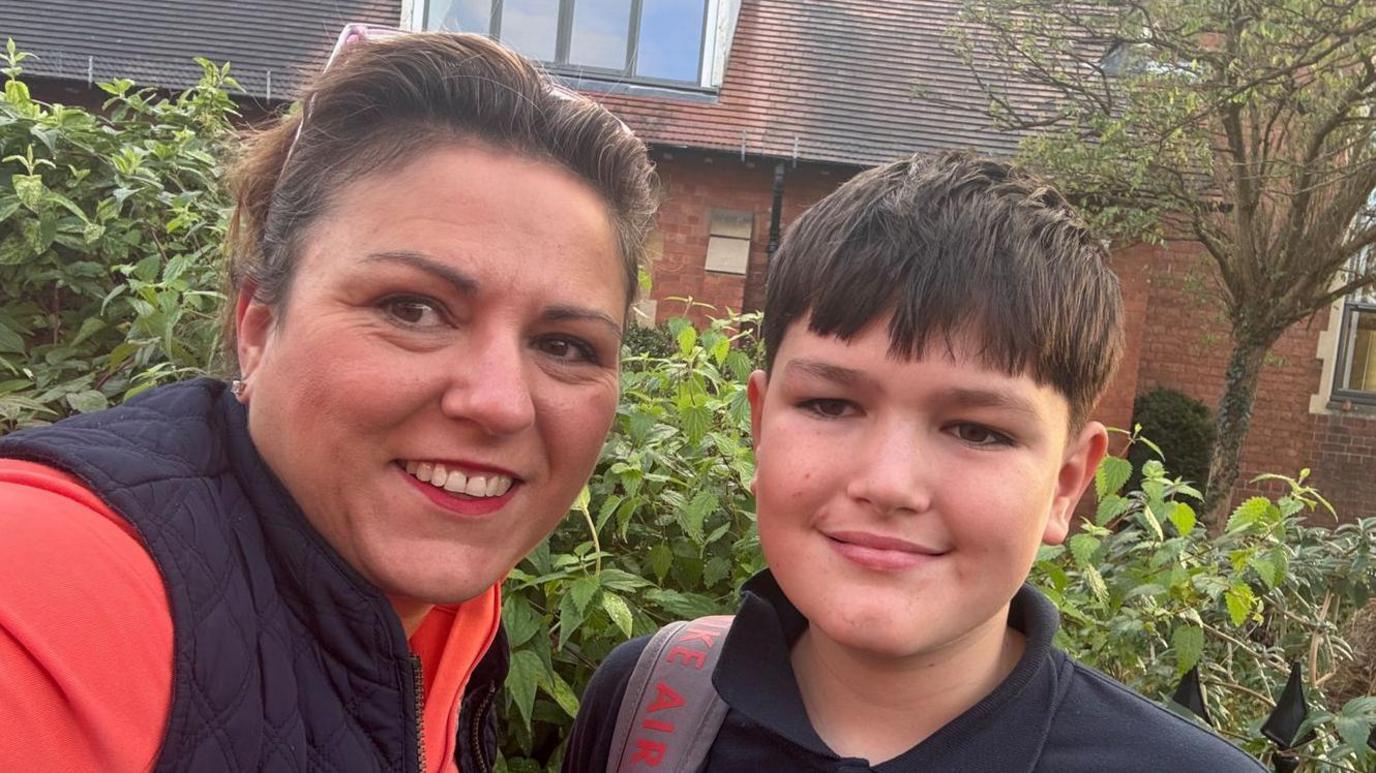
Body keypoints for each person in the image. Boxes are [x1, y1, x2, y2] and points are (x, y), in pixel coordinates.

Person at [0, 26, 657, 773]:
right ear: (258, 326)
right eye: (412, 308)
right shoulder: (54, 587)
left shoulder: (442, 614)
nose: (501, 403)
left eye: (565, 345)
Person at [563, 151, 1265, 772]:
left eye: (977, 429)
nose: (888, 483)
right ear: (759, 426)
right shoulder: (644, 707)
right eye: (831, 405)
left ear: (1066, 482)